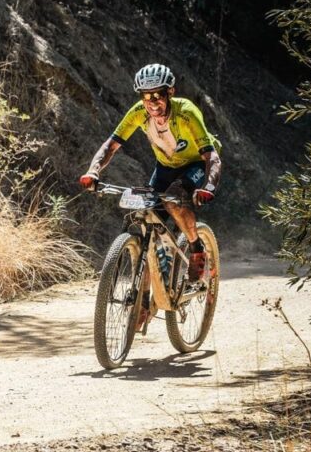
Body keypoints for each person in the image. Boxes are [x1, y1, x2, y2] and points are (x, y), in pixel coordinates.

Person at [79, 63, 222, 286]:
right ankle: (144, 297)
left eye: (158, 95)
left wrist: (208, 187)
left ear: (170, 92)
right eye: (146, 96)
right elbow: (111, 146)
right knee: (148, 217)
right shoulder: (139, 112)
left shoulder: (186, 112)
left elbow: (212, 157)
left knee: (173, 200)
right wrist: (93, 171)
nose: (153, 102)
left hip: (196, 163)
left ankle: (196, 248)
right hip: (166, 166)